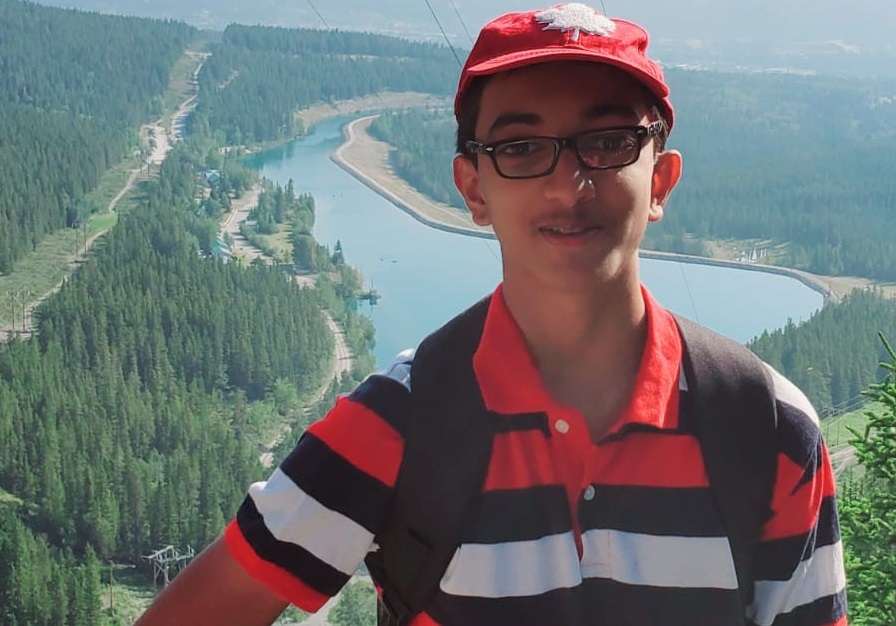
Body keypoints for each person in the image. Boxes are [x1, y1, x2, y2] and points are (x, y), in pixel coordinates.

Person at [134, 3, 847, 625]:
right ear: (472, 188)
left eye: (607, 142)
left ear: (659, 177)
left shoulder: (765, 429)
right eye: (522, 148)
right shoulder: (398, 425)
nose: (570, 185)